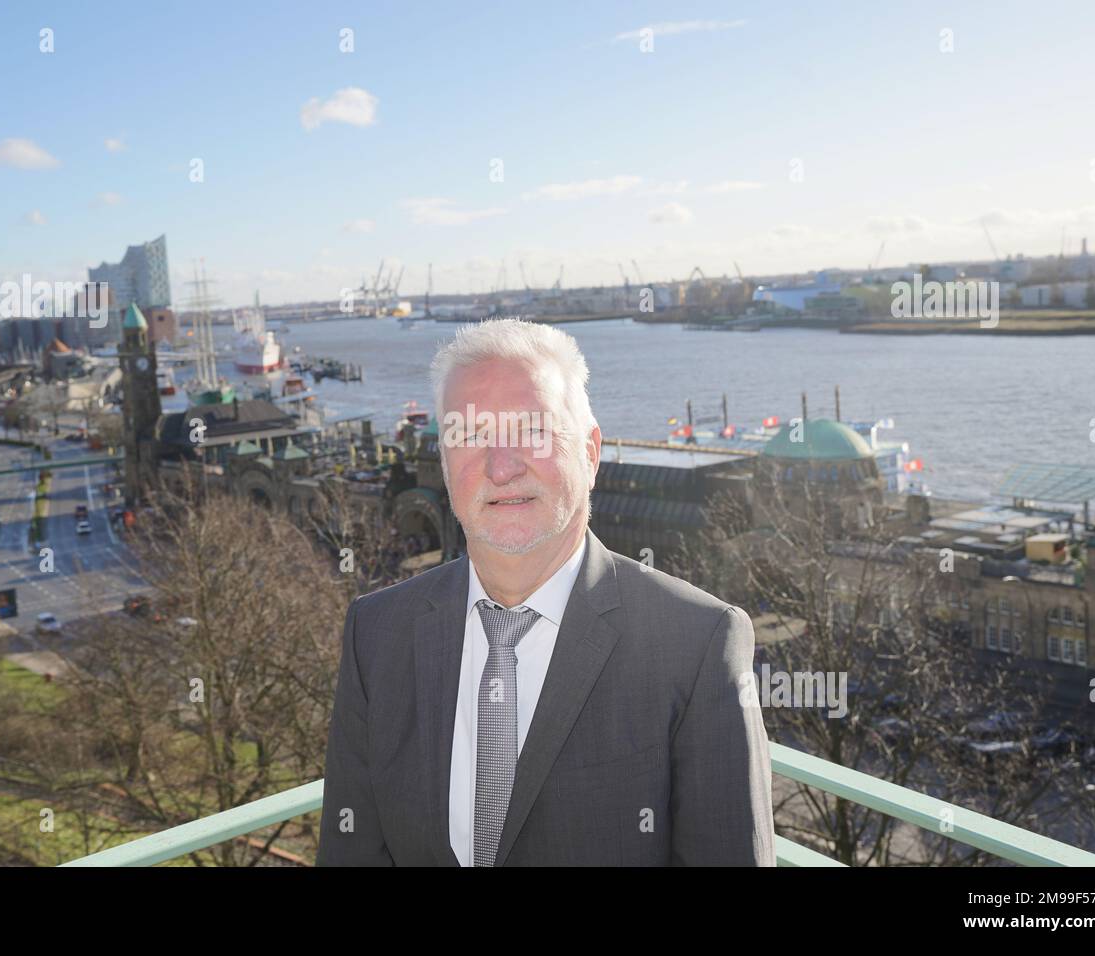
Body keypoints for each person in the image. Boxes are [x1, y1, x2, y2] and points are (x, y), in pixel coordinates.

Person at [317, 319, 774, 867]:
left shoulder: (697, 643)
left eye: (533, 429)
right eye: (471, 435)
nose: (502, 466)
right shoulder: (376, 632)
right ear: (443, 461)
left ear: (590, 452)